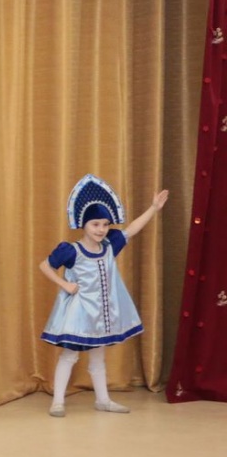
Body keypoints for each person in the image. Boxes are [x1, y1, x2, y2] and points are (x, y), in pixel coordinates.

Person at [39, 175, 168, 417]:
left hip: (101, 313)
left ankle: (103, 400)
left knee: (98, 356)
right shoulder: (71, 251)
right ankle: (57, 402)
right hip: (79, 313)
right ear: (84, 225)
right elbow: (44, 266)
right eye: (95, 224)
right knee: (69, 355)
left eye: (105, 224)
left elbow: (131, 230)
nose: (101, 229)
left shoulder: (110, 246)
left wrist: (153, 208)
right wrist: (64, 284)